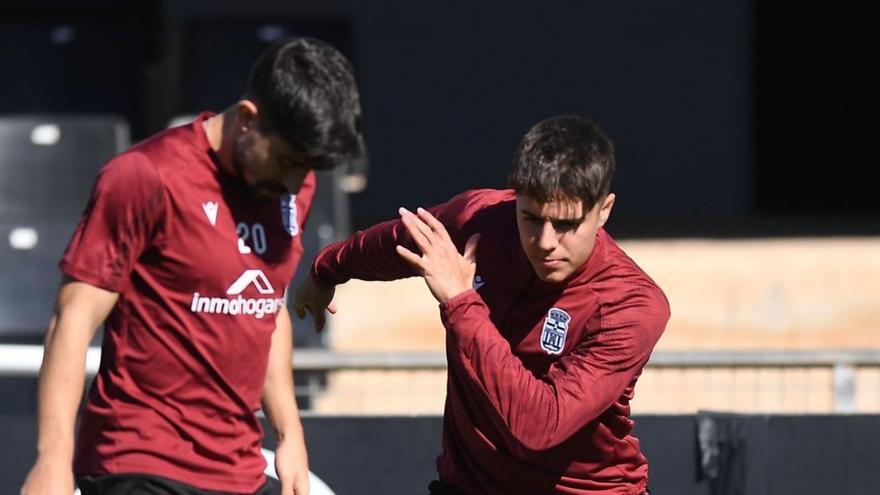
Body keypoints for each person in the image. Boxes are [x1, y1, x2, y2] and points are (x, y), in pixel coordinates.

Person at [20, 36, 365, 495]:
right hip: (140, 460)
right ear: (247, 119)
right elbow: (73, 318)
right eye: (286, 162)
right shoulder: (144, 175)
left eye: (306, 171)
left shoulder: (292, 191)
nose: (294, 183)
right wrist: (52, 462)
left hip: (237, 467)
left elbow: (266, 307)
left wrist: (289, 434)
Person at [294, 115, 669, 495]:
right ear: (515, 197)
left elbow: (539, 427)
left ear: (604, 210)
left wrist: (461, 303)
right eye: (531, 219)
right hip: (468, 485)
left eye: (566, 224)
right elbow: (402, 240)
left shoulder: (631, 305)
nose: (545, 241)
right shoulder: (482, 220)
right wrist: (326, 270)